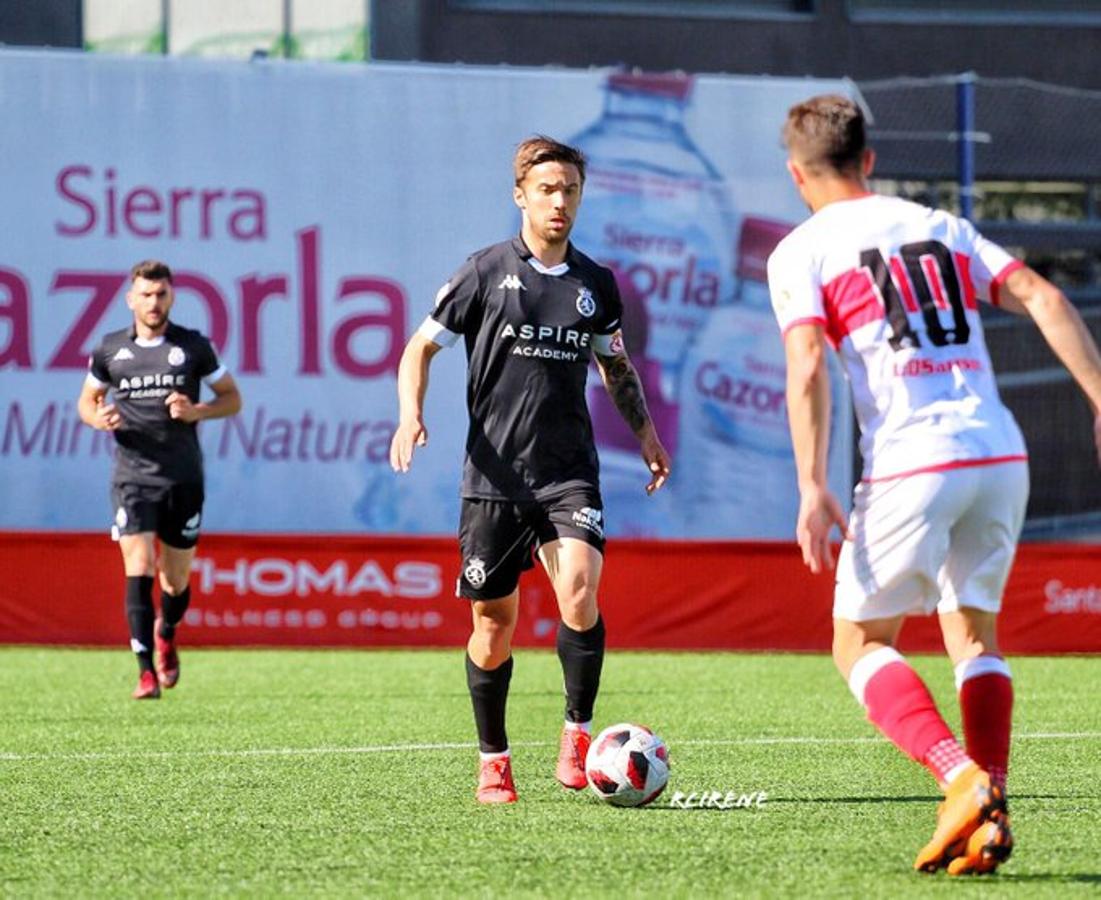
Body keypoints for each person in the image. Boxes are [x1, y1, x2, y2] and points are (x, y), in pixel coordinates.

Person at [768, 95, 1101, 875]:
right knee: (974, 634)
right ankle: (989, 815)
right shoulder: (940, 226)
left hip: (914, 459)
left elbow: (807, 363)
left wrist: (810, 483)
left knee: (857, 642)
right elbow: (1044, 297)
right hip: (997, 451)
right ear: (868, 160)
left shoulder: (801, 250)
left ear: (795, 174)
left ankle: (960, 778)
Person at [390, 136, 671, 804]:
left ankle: (578, 734)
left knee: (579, 590)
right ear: (520, 195)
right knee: (492, 626)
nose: (559, 201)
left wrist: (646, 434)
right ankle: (494, 759)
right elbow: (418, 349)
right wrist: (409, 414)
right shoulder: (484, 272)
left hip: (568, 472)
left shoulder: (595, 284)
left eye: (570, 189)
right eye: (546, 189)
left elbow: (616, 366)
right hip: (493, 481)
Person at [78, 260, 242, 700]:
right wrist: (97, 418)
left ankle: (167, 629)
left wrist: (197, 410)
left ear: (172, 297)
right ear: (130, 299)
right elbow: (87, 401)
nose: (154, 302)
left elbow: (232, 399)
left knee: (175, 581)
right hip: (132, 476)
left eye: (161, 294)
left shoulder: (193, 347)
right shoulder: (110, 350)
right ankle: (145, 671)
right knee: (138, 565)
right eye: (146, 295)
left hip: (182, 476)